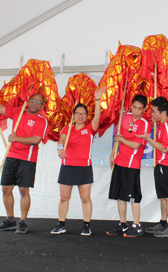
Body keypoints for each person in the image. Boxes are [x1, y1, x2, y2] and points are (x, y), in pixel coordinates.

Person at [0, 87, 48, 234]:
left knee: (24, 190)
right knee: (6, 188)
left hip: (27, 159)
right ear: (28, 101)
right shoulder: (18, 112)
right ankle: (10, 220)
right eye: (33, 100)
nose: (35, 104)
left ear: (41, 106)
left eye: (38, 102)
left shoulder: (42, 121)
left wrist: (16, 138)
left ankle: (23, 221)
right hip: (11, 156)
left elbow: (36, 140)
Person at [50, 87, 105, 236]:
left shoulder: (90, 129)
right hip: (68, 166)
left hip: (84, 167)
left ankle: (86, 225)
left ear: (87, 116)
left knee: (85, 197)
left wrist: (97, 100)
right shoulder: (66, 129)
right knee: (63, 197)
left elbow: (98, 118)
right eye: (78, 113)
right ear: (73, 115)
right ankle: (61, 224)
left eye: (83, 114)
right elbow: (60, 141)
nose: (80, 116)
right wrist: (60, 149)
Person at [106, 95, 151, 238]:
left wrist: (122, 140)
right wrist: (113, 153)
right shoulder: (125, 117)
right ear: (130, 106)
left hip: (132, 164)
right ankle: (123, 224)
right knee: (120, 195)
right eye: (134, 107)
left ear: (144, 109)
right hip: (120, 160)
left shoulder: (145, 124)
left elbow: (136, 145)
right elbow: (118, 137)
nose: (136, 111)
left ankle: (136, 225)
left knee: (133, 196)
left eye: (140, 108)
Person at [136, 97, 168, 238]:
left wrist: (148, 139)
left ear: (162, 112)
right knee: (164, 197)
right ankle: (163, 222)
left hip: (166, 164)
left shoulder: (167, 126)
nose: (152, 114)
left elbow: (164, 148)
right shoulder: (165, 123)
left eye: (154, 112)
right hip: (162, 164)